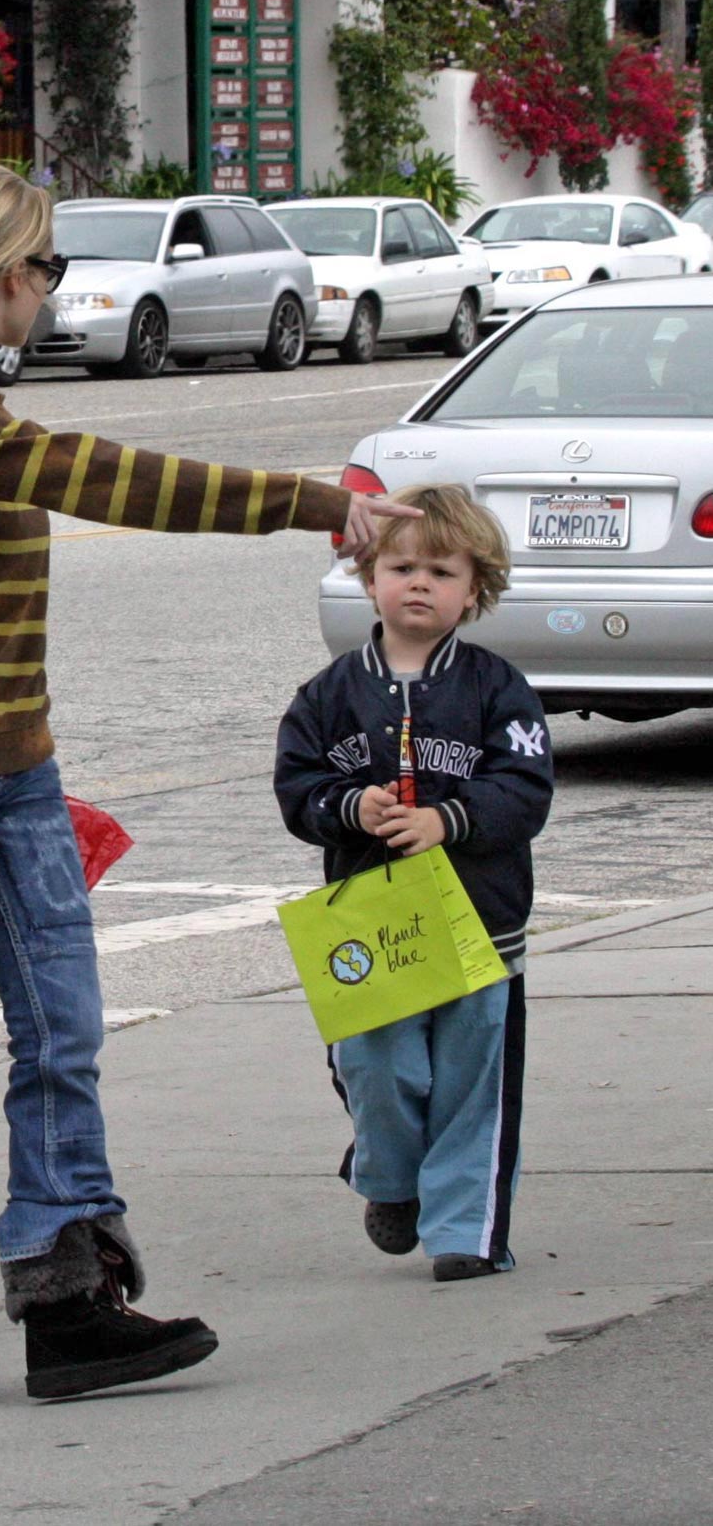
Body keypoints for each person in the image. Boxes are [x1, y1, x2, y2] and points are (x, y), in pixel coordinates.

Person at [0, 160, 422, 1420]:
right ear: (9, 272)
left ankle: (66, 1296)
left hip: (13, 772)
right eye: (52, 270)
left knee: (64, 1031)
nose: (54, 292)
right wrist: (319, 503)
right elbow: (106, 476)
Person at [274, 483, 553, 1283]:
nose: (419, 583)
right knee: (377, 1067)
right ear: (369, 578)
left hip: (479, 926)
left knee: (473, 1083)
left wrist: (448, 820)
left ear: (476, 589)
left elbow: (526, 790)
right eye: (401, 566)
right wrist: (346, 806)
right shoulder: (327, 697)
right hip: (370, 928)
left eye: (441, 570)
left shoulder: (498, 689)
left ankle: (466, 1229)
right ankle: (391, 1176)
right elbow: (296, 790)